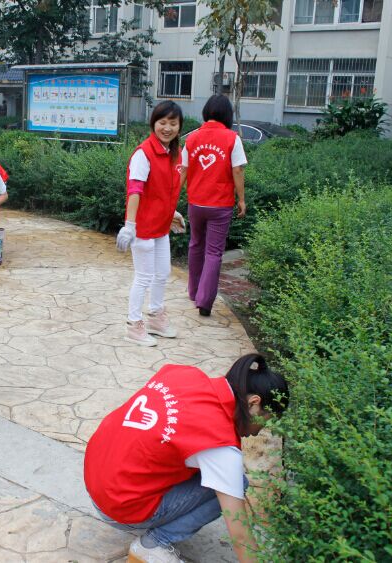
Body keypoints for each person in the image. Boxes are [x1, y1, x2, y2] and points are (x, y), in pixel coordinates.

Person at [84, 354, 289, 563]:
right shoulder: (220, 444)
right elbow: (240, 536)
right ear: (254, 403)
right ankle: (154, 544)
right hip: (119, 507)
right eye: (266, 421)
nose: (258, 432)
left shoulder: (184, 374)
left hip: (97, 481)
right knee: (237, 482)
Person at [116, 101, 186, 347]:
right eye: (162, 122)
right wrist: (130, 225)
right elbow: (135, 191)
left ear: (179, 126)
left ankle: (156, 317)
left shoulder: (174, 152)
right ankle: (133, 325)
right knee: (144, 277)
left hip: (161, 227)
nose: (167, 128)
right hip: (143, 227)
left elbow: (163, 189)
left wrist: (172, 212)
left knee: (163, 273)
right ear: (153, 123)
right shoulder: (143, 154)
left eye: (173, 123)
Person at [182, 94, 247, 317]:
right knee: (213, 252)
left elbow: (183, 170)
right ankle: (204, 301)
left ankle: (194, 291)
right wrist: (241, 199)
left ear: (206, 112)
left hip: (196, 203)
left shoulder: (192, 138)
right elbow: (237, 170)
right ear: (228, 114)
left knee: (195, 244)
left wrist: (172, 198)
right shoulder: (232, 138)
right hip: (220, 205)